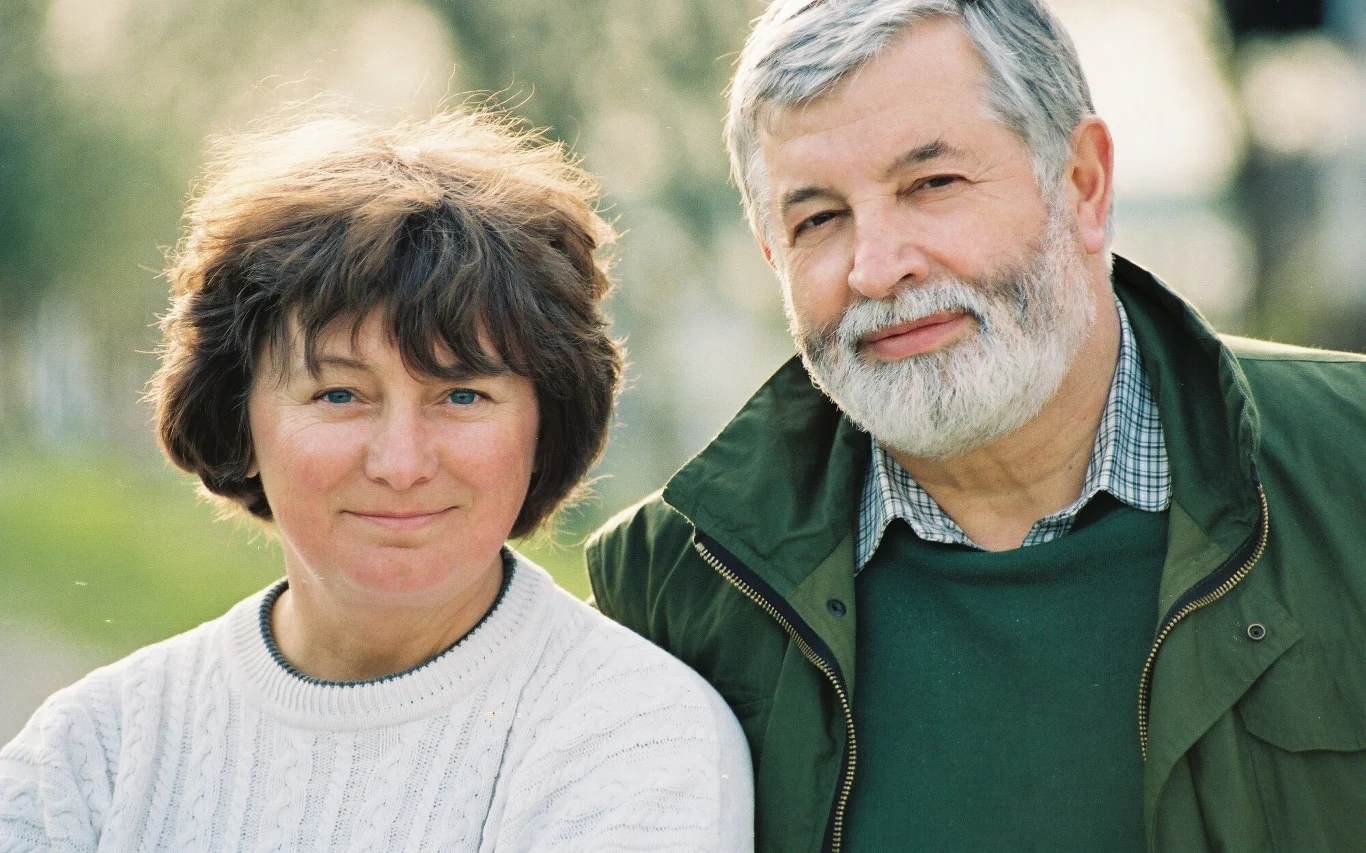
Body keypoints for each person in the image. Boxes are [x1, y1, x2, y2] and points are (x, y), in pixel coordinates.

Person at [586, 1, 1366, 851]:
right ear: (775, 256)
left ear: (1083, 184)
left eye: (932, 184)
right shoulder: (678, 585)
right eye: (818, 218)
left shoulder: (1351, 466)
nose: (878, 267)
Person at [0, 109, 753, 851]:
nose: (401, 463)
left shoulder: (638, 737)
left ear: (543, 425)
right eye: (339, 394)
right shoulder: (89, 757)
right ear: (240, 419)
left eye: (462, 395)